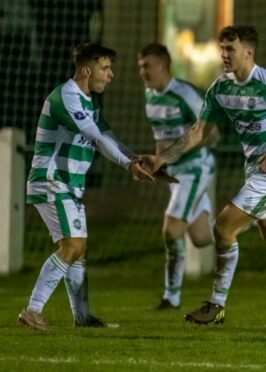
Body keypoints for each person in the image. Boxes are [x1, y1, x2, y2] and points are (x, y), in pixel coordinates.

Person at [141, 25, 266, 325]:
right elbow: (197, 132)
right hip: (254, 167)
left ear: (248, 52)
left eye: (231, 49)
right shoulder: (220, 88)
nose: (224, 54)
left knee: (223, 227)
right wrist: (159, 158)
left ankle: (216, 305)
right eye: (223, 48)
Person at [19, 43, 160, 331]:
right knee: (73, 246)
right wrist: (128, 165)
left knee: (78, 251)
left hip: (70, 184)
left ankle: (82, 316)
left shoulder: (90, 102)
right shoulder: (66, 97)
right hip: (52, 180)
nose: (110, 75)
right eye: (105, 68)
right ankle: (32, 310)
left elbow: (108, 136)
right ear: (86, 69)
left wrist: (136, 158)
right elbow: (95, 137)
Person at [138, 43, 218, 310]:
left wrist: (176, 153)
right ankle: (240, 222)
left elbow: (210, 132)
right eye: (140, 66)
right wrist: (157, 164)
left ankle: (171, 298)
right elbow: (161, 139)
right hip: (175, 172)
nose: (142, 71)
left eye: (146, 66)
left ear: (163, 66)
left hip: (195, 167)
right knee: (201, 237)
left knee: (171, 230)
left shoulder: (184, 93)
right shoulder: (150, 95)